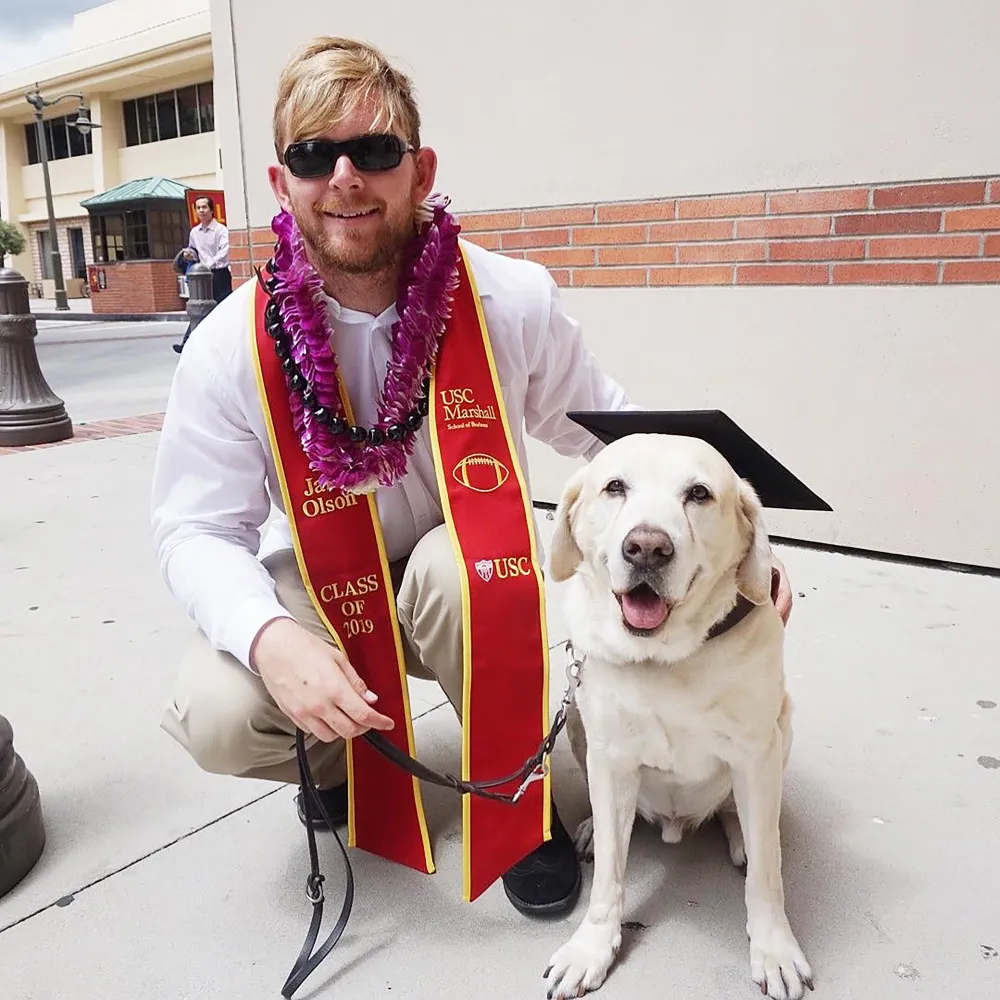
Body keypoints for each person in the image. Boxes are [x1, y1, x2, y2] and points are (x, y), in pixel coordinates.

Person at [151, 36, 793, 922]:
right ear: (280, 183)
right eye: (313, 156)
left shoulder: (507, 299)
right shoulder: (230, 345)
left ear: (421, 170)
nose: (345, 177)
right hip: (324, 587)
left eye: (375, 150)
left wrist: (741, 545)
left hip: (460, 573)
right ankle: (338, 761)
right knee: (217, 710)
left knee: (465, 572)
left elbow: (614, 434)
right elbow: (194, 529)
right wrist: (270, 640)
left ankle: (514, 801)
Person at [172, 196, 232, 353]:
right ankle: (187, 343)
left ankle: (226, 343)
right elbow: (194, 250)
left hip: (219, 275)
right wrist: (188, 254)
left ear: (212, 210)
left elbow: (225, 252)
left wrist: (209, 264)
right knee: (199, 308)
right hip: (202, 277)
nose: (201, 211)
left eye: (204, 207)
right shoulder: (194, 232)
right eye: (198, 208)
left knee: (223, 308)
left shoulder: (221, 230)